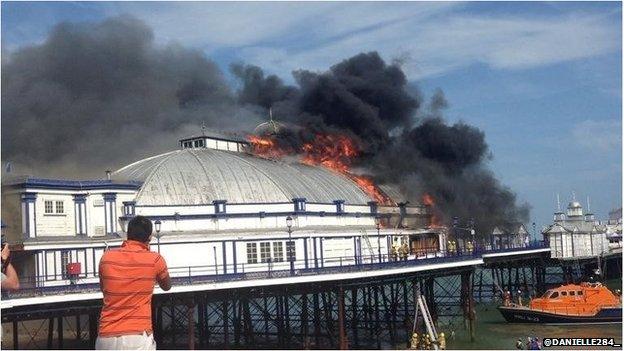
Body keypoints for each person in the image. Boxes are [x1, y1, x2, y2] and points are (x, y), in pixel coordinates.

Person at [96, 216, 171, 350]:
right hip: (138, 335)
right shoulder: (155, 260)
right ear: (149, 238)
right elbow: (167, 286)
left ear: (127, 235)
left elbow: (104, 290)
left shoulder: (106, 258)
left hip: (106, 335)